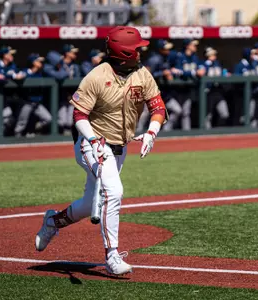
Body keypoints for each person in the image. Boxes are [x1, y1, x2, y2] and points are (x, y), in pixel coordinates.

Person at [34, 26, 168, 276]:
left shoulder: (142, 73)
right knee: (114, 192)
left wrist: (152, 132)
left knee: (90, 203)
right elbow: (79, 114)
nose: (141, 52)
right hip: (91, 143)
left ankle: (53, 222)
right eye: (137, 49)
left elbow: (157, 106)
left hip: (120, 146)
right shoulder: (96, 76)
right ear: (124, 53)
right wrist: (94, 139)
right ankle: (112, 256)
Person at [141, 39, 177, 132]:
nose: (168, 51)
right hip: (151, 93)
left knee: (177, 110)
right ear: (160, 49)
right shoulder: (154, 59)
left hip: (164, 93)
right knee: (145, 114)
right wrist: (162, 73)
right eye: (165, 49)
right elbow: (146, 76)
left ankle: (166, 131)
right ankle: (137, 132)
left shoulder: (167, 58)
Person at [14, 54, 52, 137]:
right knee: (21, 123)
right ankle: (16, 138)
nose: (41, 62)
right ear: (33, 62)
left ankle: (35, 129)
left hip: (37, 103)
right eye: (38, 61)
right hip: (27, 102)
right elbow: (19, 76)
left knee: (48, 119)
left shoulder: (41, 73)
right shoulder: (26, 71)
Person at [0, 46, 26, 134]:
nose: (12, 56)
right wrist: (12, 76)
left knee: (8, 116)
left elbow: (18, 72)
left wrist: (20, 74)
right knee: (1, 116)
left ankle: (0, 135)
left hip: (4, 97)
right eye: (10, 54)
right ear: (4, 55)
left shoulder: (12, 65)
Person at [171, 39, 204, 130]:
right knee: (176, 111)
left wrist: (202, 69)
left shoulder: (194, 57)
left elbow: (200, 66)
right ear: (187, 46)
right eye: (193, 45)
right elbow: (176, 71)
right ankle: (166, 132)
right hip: (177, 89)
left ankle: (186, 134)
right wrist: (193, 73)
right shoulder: (179, 56)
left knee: (186, 112)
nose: (195, 46)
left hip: (188, 88)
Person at [199, 47, 230, 129]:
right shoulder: (203, 64)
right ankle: (207, 134)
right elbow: (200, 73)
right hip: (208, 92)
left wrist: (226, 74)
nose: (214, 55)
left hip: (218, 91)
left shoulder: (217, 63)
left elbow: (223, 73)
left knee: (225, 114)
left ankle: (219, 130)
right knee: (207, 116)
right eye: (212, 54)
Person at [57, 44, 81, 136]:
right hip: (61, 93)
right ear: (67, 53)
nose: (75, 53)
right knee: (62, 118)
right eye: (72, 52)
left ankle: (69, 132)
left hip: (73, 93)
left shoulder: (75, 66)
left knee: (71, 117)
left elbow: (78, 80)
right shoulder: (59, 64)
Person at [233, 47, 257, 126]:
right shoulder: (239, 65)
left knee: (251, 114)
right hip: (241, 95)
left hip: (251, 93)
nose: (253, 56)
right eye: (251, 54)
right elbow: (235, 80)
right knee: (241, 115)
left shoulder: (252, 65)